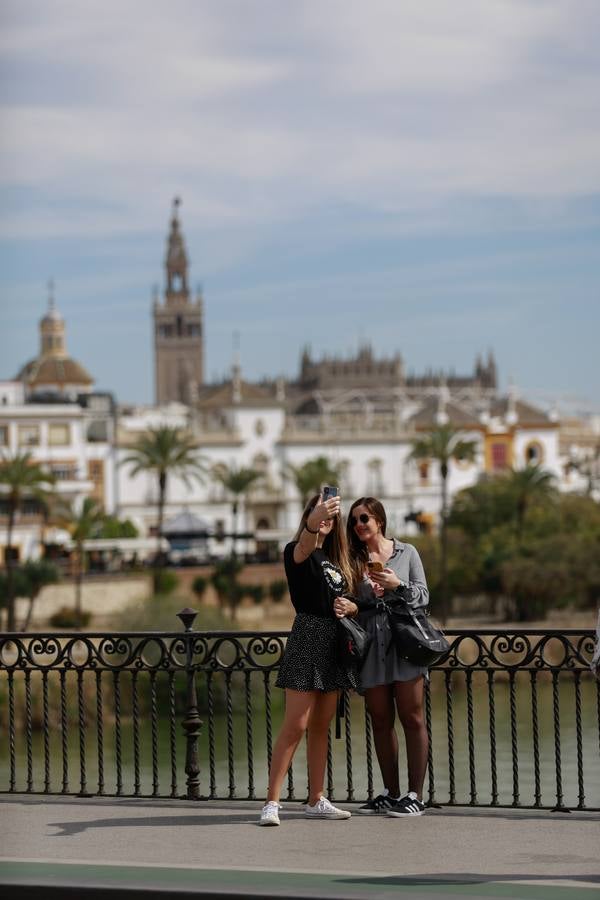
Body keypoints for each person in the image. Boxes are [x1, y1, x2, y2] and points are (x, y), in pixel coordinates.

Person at [259, 492, 356, 826]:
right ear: (310, 515)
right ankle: (272, 801)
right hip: (307, 637)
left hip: (333, 642)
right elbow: (306, 541)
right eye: (319, 512)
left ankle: (316, 798)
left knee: (320, 726)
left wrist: (351, 606)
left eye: (331, 514)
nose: (327, 518)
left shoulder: (335, 560)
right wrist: (315, 519)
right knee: (295, 725)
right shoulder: (298, 551)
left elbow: (347, 598)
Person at [334, 496, 429, 817]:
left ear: (379, 520)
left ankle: (415, 795)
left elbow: (423, 596)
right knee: (380, 719)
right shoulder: (352, 560)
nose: (359, 525)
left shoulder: (407, 552)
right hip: (371, 645)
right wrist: (356, 602)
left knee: (412, 717)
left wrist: (396, 584)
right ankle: (391, 792)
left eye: (364, 519)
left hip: (404, 641)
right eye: (355, 521)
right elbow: (346, 600)